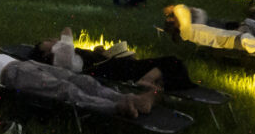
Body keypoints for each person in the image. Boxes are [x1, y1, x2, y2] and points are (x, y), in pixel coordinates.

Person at [0, 28, 157, 119]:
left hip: (25, 65)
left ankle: (131, 99)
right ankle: (116, 107)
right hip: (11, 76)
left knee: (78, 79)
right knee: (65, 90)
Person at [29, 27, 196, 92]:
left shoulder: (64, 55)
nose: (52, 40)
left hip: (108, 65)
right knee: (173, 62)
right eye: (48, 42)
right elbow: (67, 31)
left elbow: (82, 57)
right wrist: (57, 41)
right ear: (45, 54)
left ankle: (153, 80)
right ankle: (146, 80)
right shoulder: (59, 58)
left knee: (172, 64)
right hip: (107, 69)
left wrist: (99, 51)